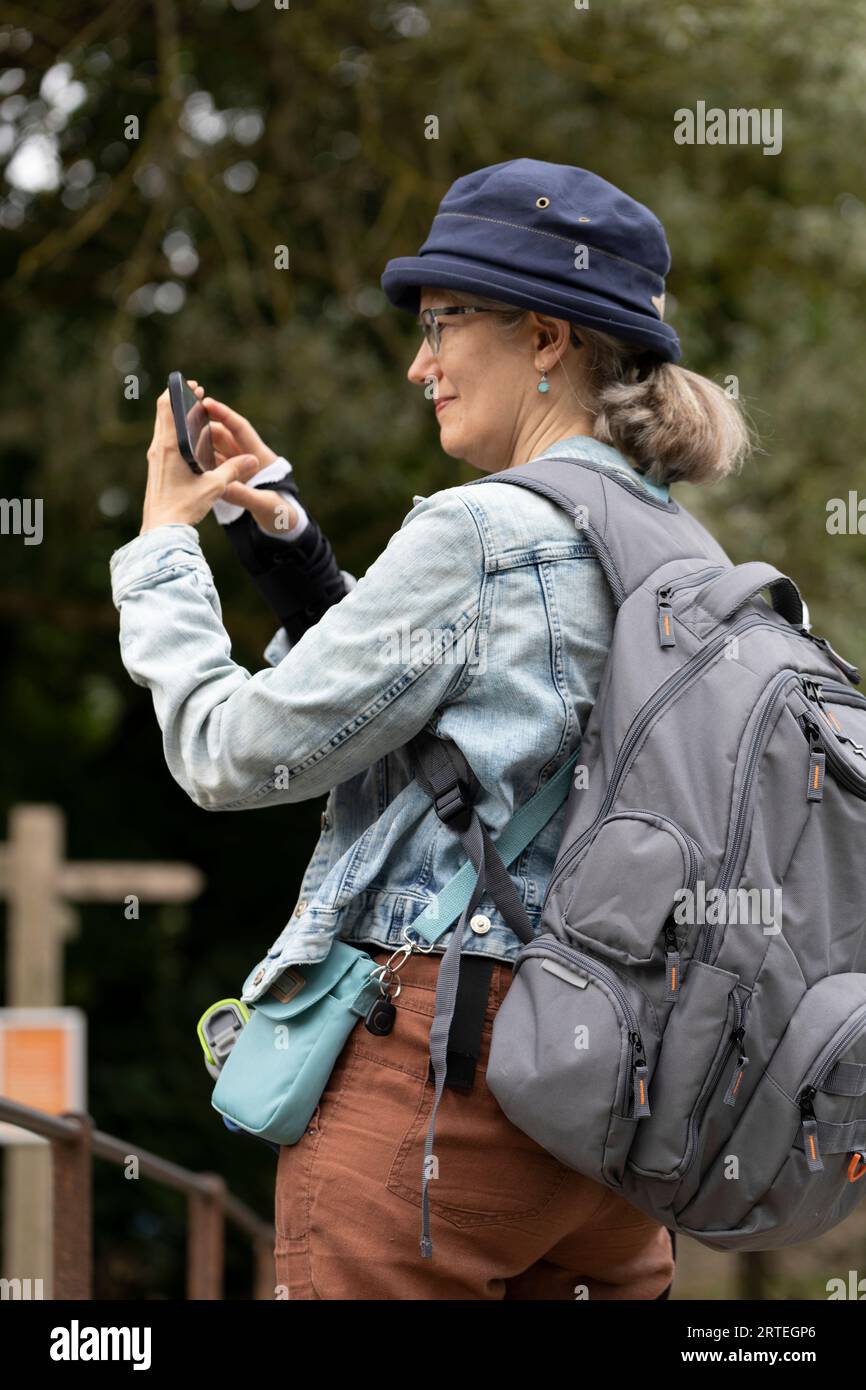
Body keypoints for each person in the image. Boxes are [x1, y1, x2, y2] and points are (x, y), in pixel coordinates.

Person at [110, 158, 751, 1300]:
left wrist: (164, 549)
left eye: (444, 325)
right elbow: (467, 713)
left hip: (444, 1086)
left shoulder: (484, 531)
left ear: (546, 335)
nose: (420, 364)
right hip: (618, 1111)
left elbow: (225, 752)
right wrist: (292, 550)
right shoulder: (681, 554)